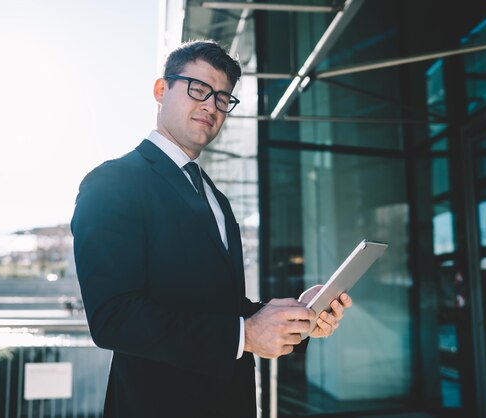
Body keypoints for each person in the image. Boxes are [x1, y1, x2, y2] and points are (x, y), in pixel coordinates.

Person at [71, 40, 352, 418]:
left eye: (222, 98)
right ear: (160, 90)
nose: (211, 106)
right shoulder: (112, 182)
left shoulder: (215, 197)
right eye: (198, 90)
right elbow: (114, 318)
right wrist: (246, 335)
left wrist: (299, 317)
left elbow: (225, 308)